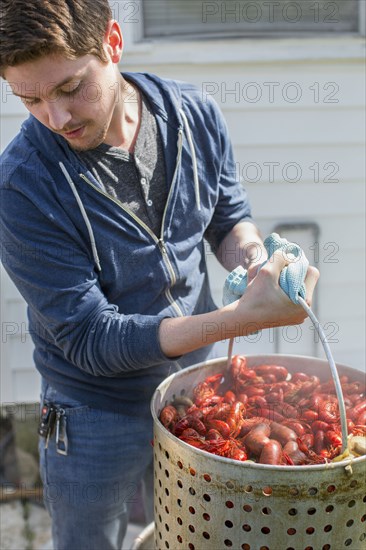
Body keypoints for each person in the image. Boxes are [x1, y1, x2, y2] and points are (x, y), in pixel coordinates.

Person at [0, 1, 319, 548]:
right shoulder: (21, 188)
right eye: (29, 99)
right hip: (93, 409)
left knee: (196, 536)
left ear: (113, 43)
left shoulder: (193, 112)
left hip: (195, 391)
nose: (57, 118)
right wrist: (237, 320)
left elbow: (227, 217)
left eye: (72, 87)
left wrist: (258, 263)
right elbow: (90, 337)